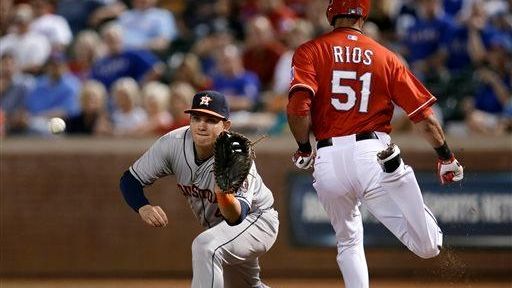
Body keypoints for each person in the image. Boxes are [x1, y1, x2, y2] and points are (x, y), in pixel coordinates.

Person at [286, 1, 464, 288]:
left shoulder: (310, 49)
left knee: (347, 241)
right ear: (364, 14)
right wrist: (446, 157)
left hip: (327, 157)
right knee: (428, 246)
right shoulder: (386, 56)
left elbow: (297, 106)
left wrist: (303, 147)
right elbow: (424, 118)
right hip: (373, 154)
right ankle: (397, 174)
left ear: (332, 12)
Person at [119, 90, 279, 287]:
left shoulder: (236, 157)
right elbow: (130, 180)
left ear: (226, 125)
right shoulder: (173, 143)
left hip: (257, 220)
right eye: (196, 118)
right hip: (221, 229)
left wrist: (223, 192)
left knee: (206, 247)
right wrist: (142, 206)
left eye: (211, 120)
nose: (202, 125)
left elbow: (236, 217)